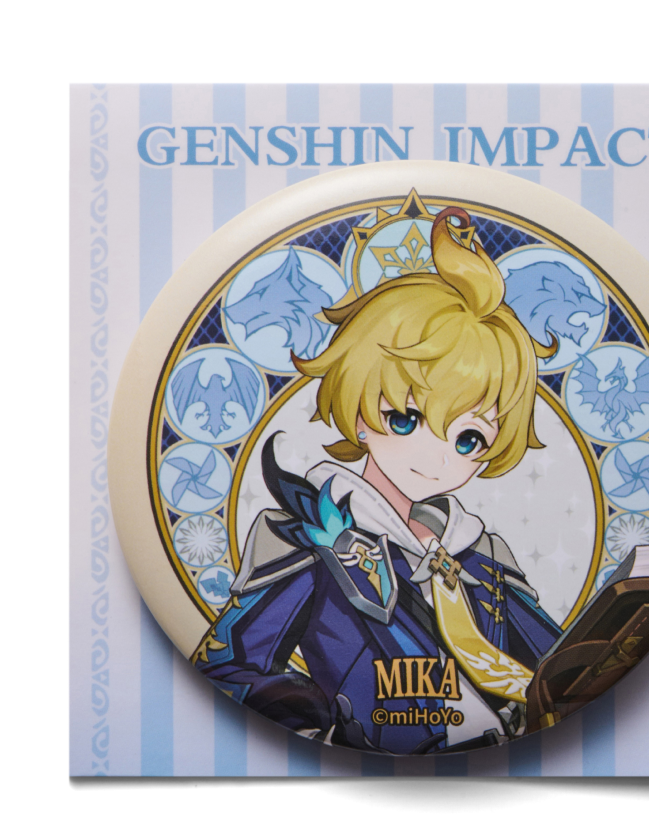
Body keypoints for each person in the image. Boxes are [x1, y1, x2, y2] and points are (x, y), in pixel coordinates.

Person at [204, 205, 555, 756]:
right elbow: (231, 665)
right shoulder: (307, 542)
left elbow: (562, 664)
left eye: (468, 439)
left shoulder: (482, 556)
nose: (436, 457)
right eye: (406, 419)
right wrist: (332, 730)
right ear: (361, 414)